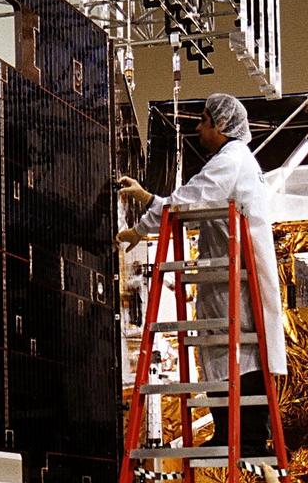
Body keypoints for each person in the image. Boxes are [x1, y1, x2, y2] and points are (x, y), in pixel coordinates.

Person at [115, 92, 286, 454]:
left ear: (221, 125)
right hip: (226, 273)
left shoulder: (230, 161)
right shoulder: (238, 160)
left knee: (236, 354)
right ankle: (233, 433)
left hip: (233, 277)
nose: (198, 128)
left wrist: (142, 220)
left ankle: (248, 438)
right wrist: (147, 207)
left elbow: (187, 201)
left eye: (204, 120)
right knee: (225, 355)